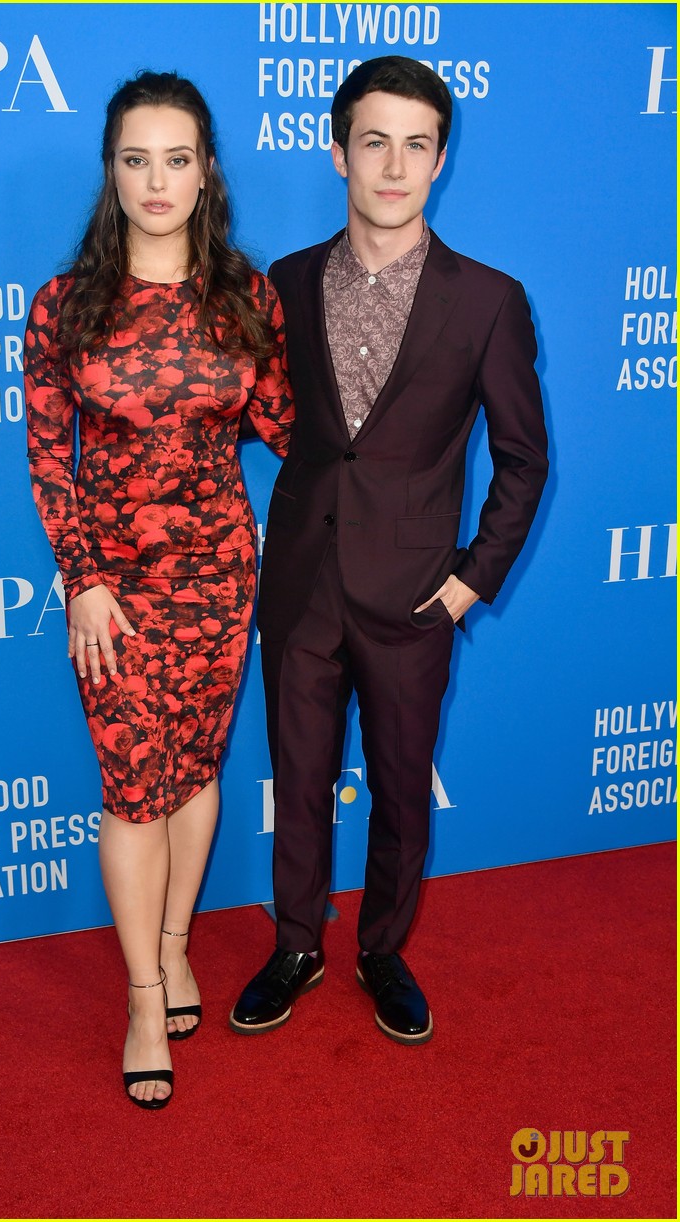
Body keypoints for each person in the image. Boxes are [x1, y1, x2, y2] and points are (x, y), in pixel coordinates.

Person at [230, 57, 548, 1043]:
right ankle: (294, 944)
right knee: (299, 779)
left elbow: (522, 462)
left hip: (416, 597)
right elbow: (246, 412)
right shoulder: (280, 282)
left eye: (416, 143)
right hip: (301, 585)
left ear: (440, 158)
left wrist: (465, 585)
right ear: (337, 153)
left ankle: (379, 948)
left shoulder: (488, 299)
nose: (394, 164)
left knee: (402, 790)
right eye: (374, 141)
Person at [24, 70, 292, 1108]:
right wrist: (82, 579)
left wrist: (398, 440)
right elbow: (50, 457)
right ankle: (144, 995)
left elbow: (286, 427)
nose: (155, 179)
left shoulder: (243, 292)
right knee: (133, 786)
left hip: (221, 576)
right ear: (110, 170)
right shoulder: (68, 304)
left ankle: (178, 946)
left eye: (175, 158)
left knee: (191, 772)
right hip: (115, 593)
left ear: (205, 170)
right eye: (135, 158)